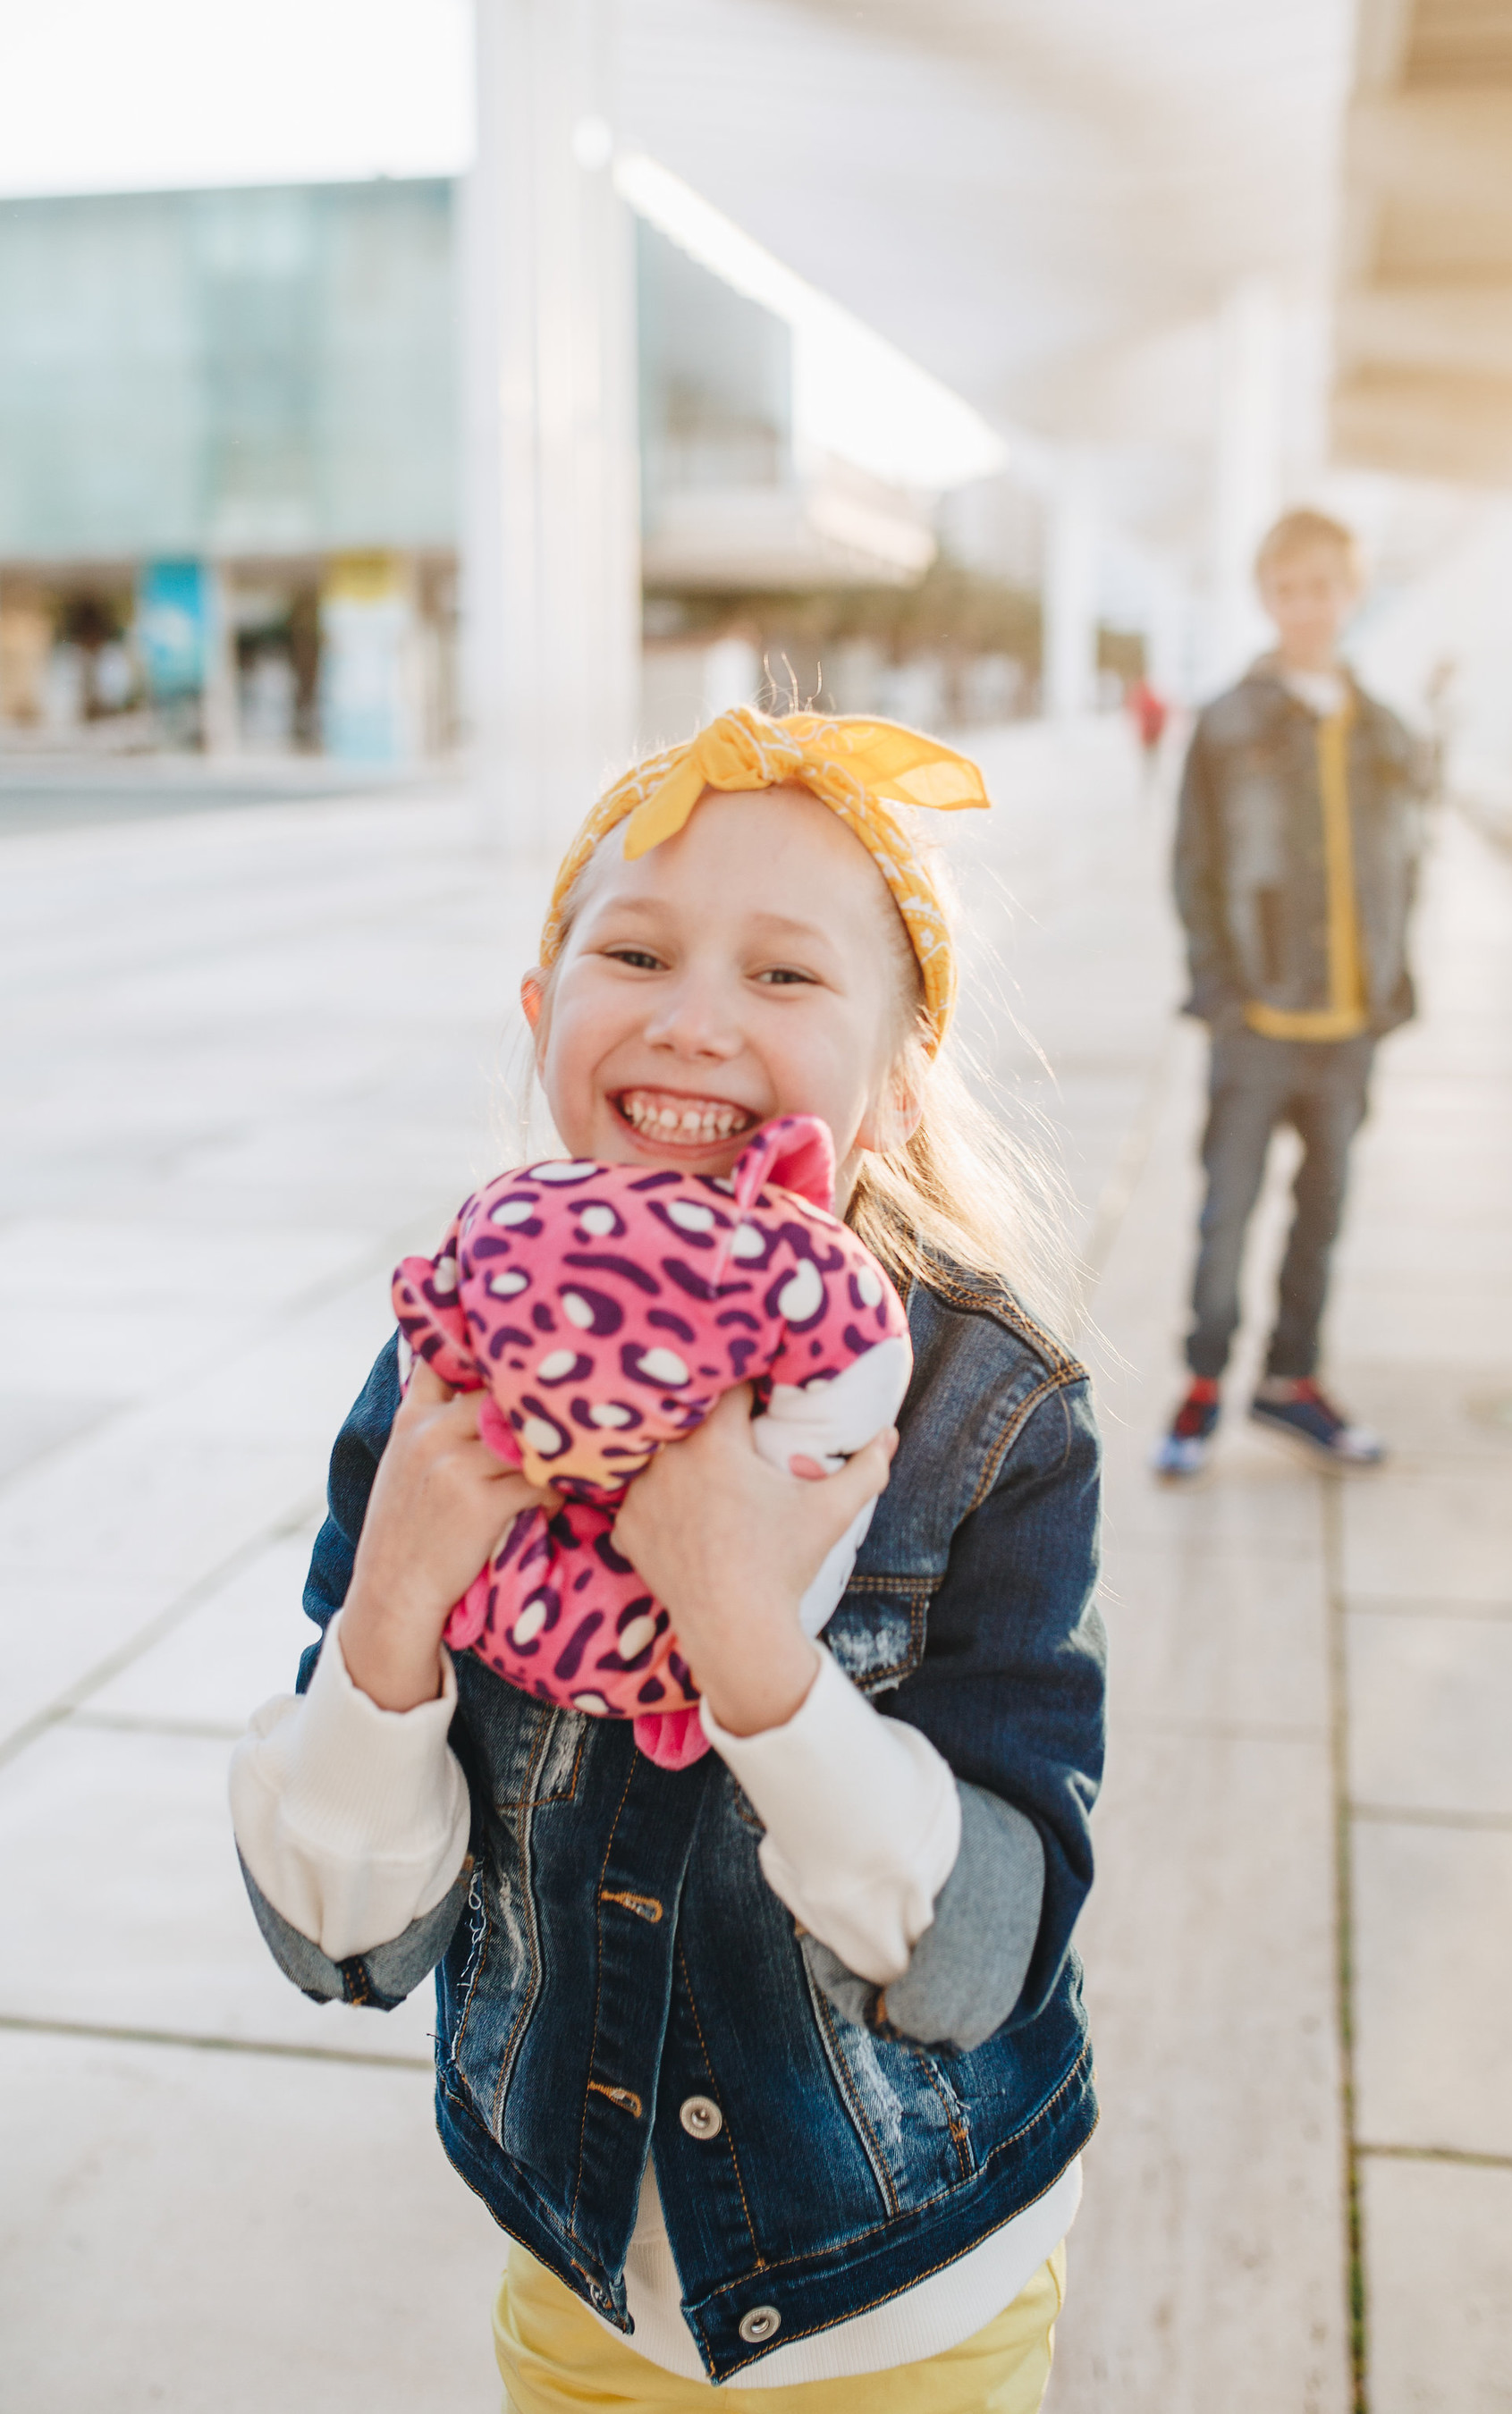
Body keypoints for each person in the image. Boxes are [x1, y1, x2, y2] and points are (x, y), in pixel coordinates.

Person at [231, 707, 1105, 2412]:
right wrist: (399, 1599)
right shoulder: (443, 1370)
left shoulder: (990, 1413)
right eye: (635, 951)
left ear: (899, 1077)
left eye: (787, 978)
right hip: (585, 2289)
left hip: (906, 2291)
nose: (697, 1020)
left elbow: (982, 1950)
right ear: (548, 1014)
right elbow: (339, 1940)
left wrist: (742, 1634)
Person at [1154, 510, 1428, 1479]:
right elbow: (1193, 865)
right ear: (1266, 596)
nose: (1308, 607)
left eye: (1325, 588)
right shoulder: (1227, 722)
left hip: (1352, 1029)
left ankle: (1291, 1382)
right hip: (1256, 1023)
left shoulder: (1390, 730)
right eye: (1288, 589)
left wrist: (1395, 987)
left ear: (1352, 595)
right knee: (1225, 1217)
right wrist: (1220, 993)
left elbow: (1409, 862)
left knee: (1323, 1215)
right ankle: (1200, 1384)